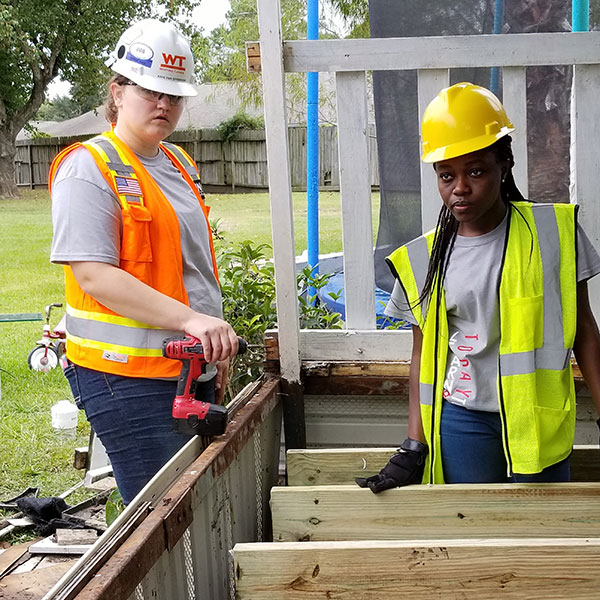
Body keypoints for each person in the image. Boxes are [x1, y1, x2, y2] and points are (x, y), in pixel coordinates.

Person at [357, 82, 600, 492]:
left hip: (538, 419)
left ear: (504, 165)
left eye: (476, 171)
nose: (460, 188)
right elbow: (422, 357)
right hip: (463, 423)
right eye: (446, 174)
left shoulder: (554, 234)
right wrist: (414, 446)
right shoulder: (424, 260)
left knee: (541, 538)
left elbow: (586, 334)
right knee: (477, 534)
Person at [49, 19, 239, 505]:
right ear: (117, 91)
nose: (164, 104)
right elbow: (93, 275)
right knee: (156, 520)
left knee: (185, 503)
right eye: (150, 90)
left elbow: (189, 268)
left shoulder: (176, 163)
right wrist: (193, 321)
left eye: (174, 96)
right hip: (124, 377)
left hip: (183, 367)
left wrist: (209, 346)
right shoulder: (87, 168)